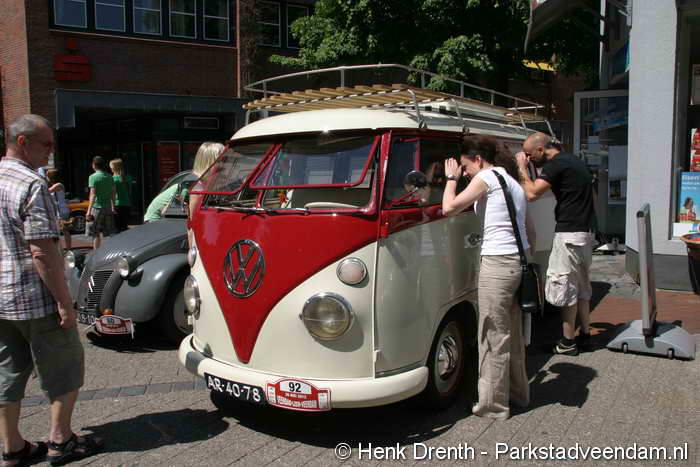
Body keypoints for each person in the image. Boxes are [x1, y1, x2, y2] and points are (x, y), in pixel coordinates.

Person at [0, 114, 102, 466]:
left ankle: (12, 447)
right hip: (35, 297)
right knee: (64, 367)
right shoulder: (32, 184)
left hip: (2, 299)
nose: (51, 151)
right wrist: (64, 304)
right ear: (23, 142)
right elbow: (42, 252)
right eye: (46, 144)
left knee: (7, 371)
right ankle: (61, 439)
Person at [442, 135, 533, 420]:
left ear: (479, 160)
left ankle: (493, 406)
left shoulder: (487, 178)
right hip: (518, 261)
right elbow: (530, 231)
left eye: (466, 166)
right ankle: (518, 394)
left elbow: (449, 208)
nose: (465, 173)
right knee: (512, 334)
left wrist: (450, 179)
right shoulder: (512, 182)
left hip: (498, 263)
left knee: (492, 334)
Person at [516, 132, 596, 356]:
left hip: (569, 234)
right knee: (582, 288)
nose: (529, 159)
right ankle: (586, 335)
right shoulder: (574, 160)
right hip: (585, 232)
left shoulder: (556, 164)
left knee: (566, 288)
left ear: (541, 150)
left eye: (530, 155)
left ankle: (567, 342)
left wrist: (521, 168)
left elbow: (531, 193)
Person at [144, 142, 223, 223]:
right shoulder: (194, 184)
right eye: (220, 160)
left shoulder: (204, 181)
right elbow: (190, 217)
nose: (223, 165)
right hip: (155, 221)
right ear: (208, 162)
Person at [86, 156, 115, 250]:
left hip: (97, 207)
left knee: (95, 232)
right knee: (110, 232)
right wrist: (113, 206)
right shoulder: (110, 177)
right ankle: (112, 251)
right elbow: (113, 193)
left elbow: (93, 194)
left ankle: (96, 253)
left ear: (94, 165)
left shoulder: (93, 177)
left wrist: (88, 211)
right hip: (108, 207)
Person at [45, 168, 72, 250]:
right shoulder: (53, 185)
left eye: (47, 175)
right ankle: (60, 249)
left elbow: (47, 191)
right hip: (56, 211)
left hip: (62, 211)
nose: (46, 177)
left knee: (65, 230)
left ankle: (68, 249)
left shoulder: (59, 185)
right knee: (58, 231)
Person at [109, 159, 133, 232]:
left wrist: (112, 207)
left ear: (114, 168)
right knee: (124, 227)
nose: (110, 168)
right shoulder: (128, 177)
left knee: (116, 229)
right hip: (127, 204)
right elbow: (130, 192)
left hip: (116, 205)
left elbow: (112, 194)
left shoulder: (113, 179)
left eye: (111, 167)